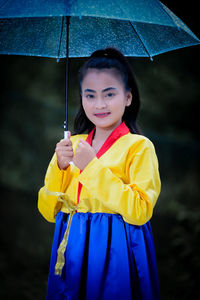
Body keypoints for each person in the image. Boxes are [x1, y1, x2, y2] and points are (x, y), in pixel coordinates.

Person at [38, 47, 161, 300]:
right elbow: (48, 211)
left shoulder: (139, 147)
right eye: (90, 95)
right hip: (72, 248)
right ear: (81, 98)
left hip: (117, 252)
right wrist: (60, 167)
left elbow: (140, 210)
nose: (100, 104)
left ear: (128, 97)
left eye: (109, 94)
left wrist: (91, 167)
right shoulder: (72, 145)